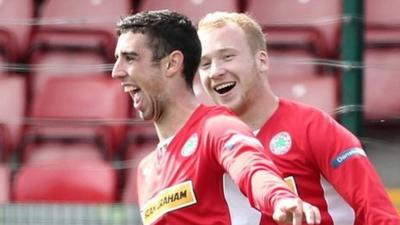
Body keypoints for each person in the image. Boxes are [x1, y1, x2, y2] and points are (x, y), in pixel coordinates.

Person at [112, 10, 321, 225]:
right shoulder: (146, 169)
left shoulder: (217, 128)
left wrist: (279, 198)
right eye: (117, 59)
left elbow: (252, 168)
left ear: (171, 64)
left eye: (130, 58)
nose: (116, 71)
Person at [196, 11, 400, 225]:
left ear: (262, 61)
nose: (215, 72)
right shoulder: (200, 146)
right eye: (205, 64)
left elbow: (379, 213)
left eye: (227, 56)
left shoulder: (313, 127)